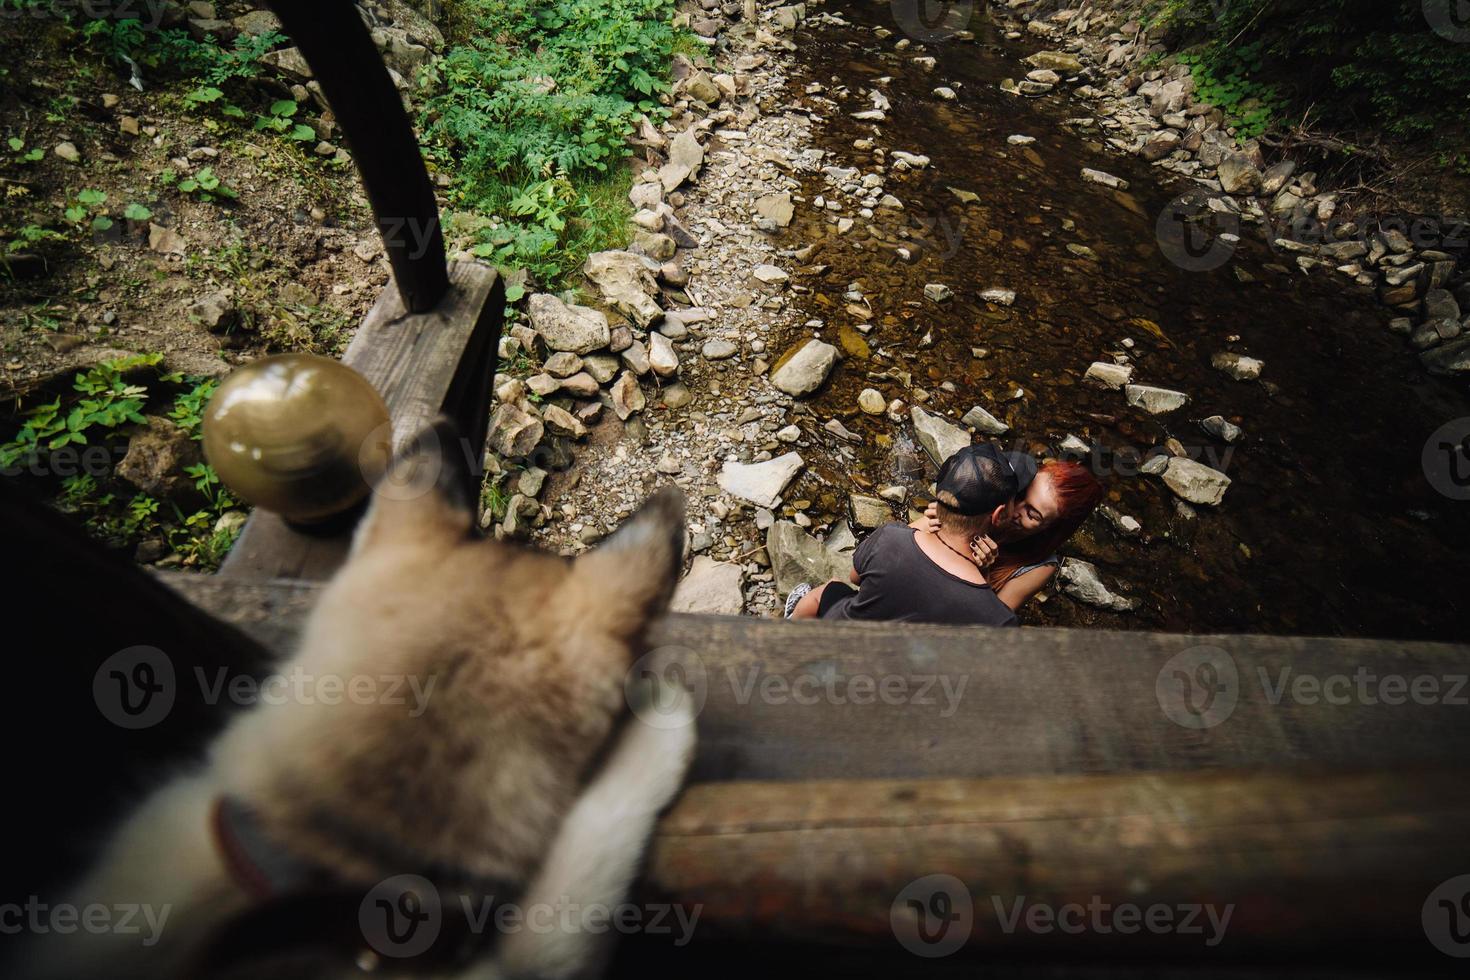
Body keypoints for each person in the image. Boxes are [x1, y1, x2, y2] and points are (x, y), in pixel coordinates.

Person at [786, 444, 1020, 626]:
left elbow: (855, 577)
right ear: (998, 514)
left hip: (845, 650)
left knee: (829, 589)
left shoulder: (889, 539)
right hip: (902, 682)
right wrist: (984, 572)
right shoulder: (998, 618)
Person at [914, 455, 1104, 611]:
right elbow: (898, 542)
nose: (1014, 510)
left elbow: (989, 624)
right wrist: (944, 519)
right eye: (1020, 495)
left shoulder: (1040, 567)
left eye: (1031, 514)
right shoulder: (991, 500)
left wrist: (982, 571)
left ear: (1049, 528)